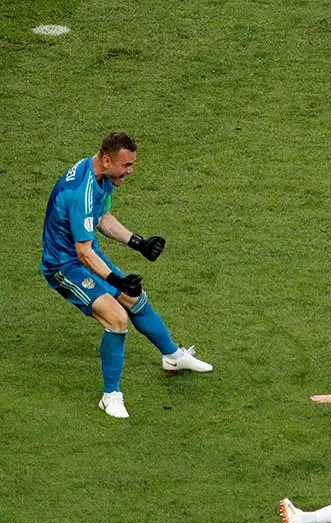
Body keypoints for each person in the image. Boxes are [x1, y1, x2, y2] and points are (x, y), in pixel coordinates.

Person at [40, 132, 212, 418]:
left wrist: (138, 242)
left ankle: (172, 356)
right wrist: (116, 282)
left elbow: (102, 218)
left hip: (85, 256)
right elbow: (83, 253)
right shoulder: (80, 192)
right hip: (64, 266)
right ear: (107, 160)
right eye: (126, 165)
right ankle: (110, 396)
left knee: (135, 299)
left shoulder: (102, 176)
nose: (130, 171)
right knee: (117, 318)